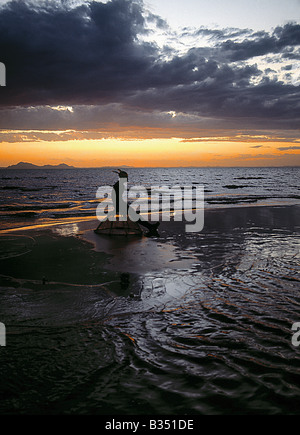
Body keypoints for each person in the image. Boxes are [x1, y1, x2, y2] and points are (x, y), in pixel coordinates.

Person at [112, 169, 160, 236]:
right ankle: (150, 226)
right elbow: (117, 198)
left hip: (120, 204)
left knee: (135, 216)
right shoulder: (120, 185)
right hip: (120, 205)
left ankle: (150, 226)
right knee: (135, 216)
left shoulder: (119, 184)